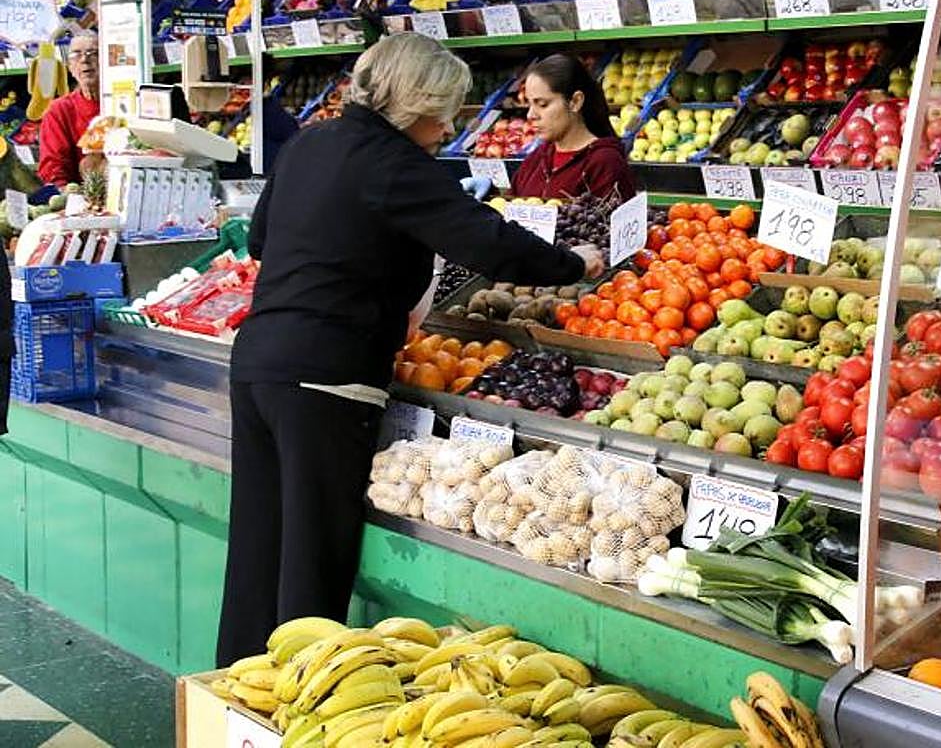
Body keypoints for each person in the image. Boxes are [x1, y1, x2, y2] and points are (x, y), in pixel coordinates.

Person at [216, 33, 604, 664]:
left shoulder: (311, 141)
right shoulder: (396, 165)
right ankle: (305, 706)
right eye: (446, 109)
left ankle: (231, 702)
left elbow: (261, 239)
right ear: (419, 104)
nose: (449, 125)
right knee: (313, 563)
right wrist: (573, 263)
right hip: (327, 380)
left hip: (258, 363)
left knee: (258, 552)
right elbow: (488, 242)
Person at [511, 54, 635, 203]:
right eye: (529, 104)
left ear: (575, 102)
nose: (531, 115)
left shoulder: (605, 163)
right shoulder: (536, 159)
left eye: (542, 104)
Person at [37, 31, 101, 187]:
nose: (85, 60)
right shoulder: (59, 110)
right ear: (70, 67)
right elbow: (52, 165)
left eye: (93, 53)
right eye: (76, 55)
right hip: (79, 198)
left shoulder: (124, 102)